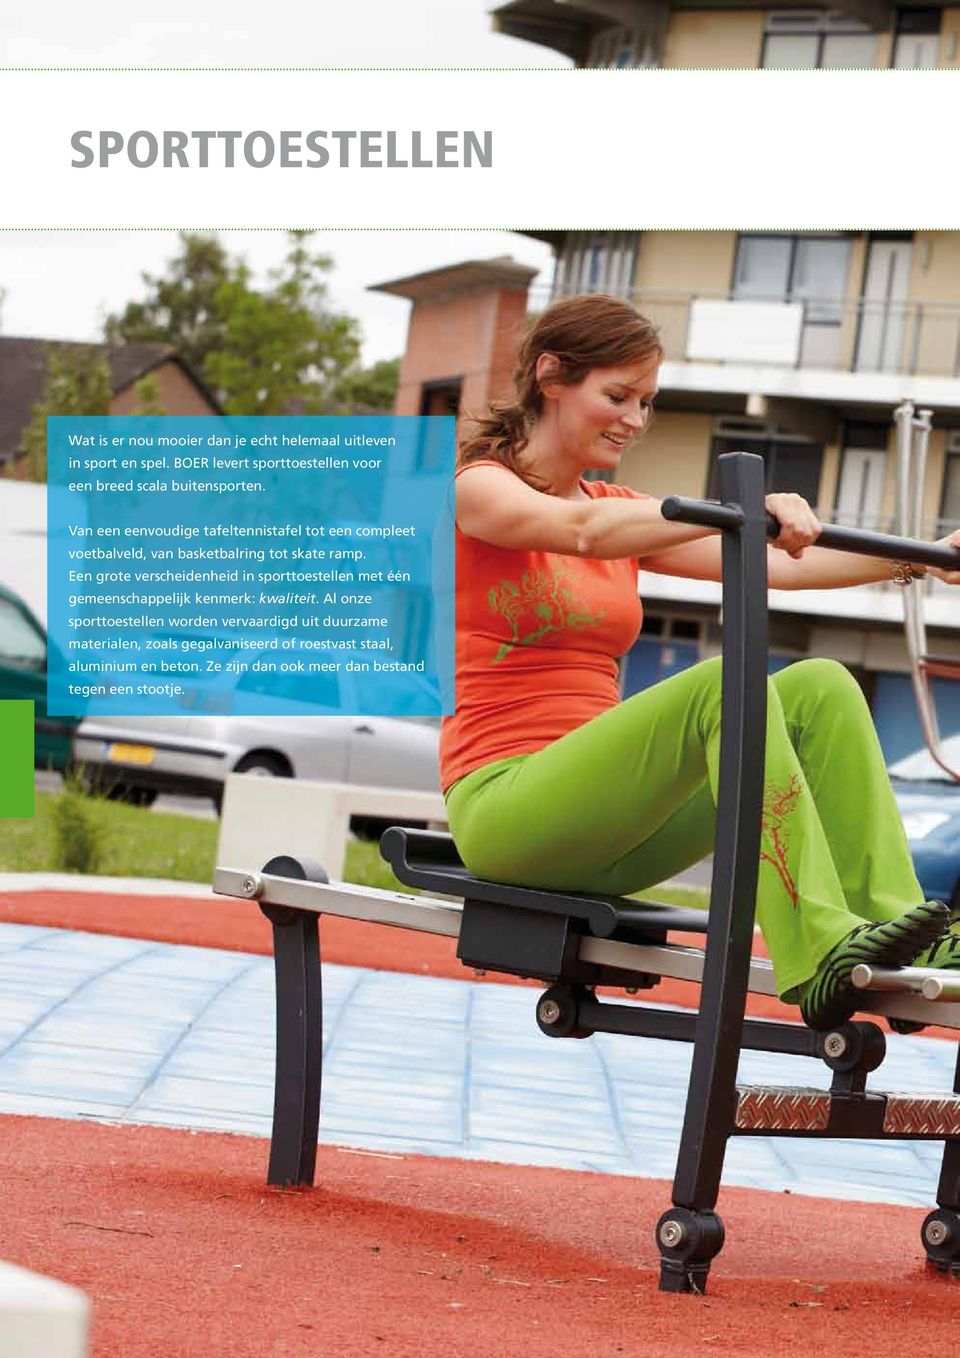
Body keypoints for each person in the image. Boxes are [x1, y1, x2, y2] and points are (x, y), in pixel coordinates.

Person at [440, 293, 960, 1032]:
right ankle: (819, 951)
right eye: (617, 396)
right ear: (550, 376)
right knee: (725, 684)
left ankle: (902, 937)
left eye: (647, 401)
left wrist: (922, 563)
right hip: (508, 809)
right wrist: (744, 513)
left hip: (611, 828)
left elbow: (775, 568)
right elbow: (579, 529)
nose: (635, 419)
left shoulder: (621, 505)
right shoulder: (479, 489)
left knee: (820, 686)